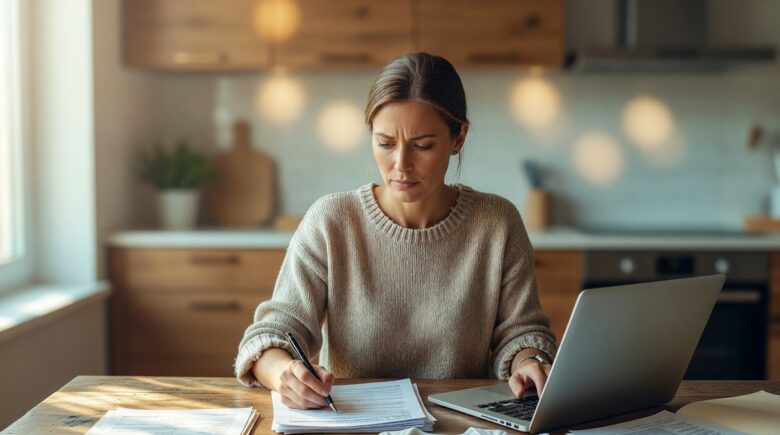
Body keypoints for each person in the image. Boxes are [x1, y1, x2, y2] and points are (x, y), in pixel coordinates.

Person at [234, 52, 557, 410]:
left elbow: (523, 334)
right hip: (356, 424)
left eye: (422, 145)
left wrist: (529, 362)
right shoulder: (332, 221)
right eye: (385, 143)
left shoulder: (498, 223)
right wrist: (284, 374)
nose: (401, 165)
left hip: (462, 426)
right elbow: (270, 336)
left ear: (458, 138)